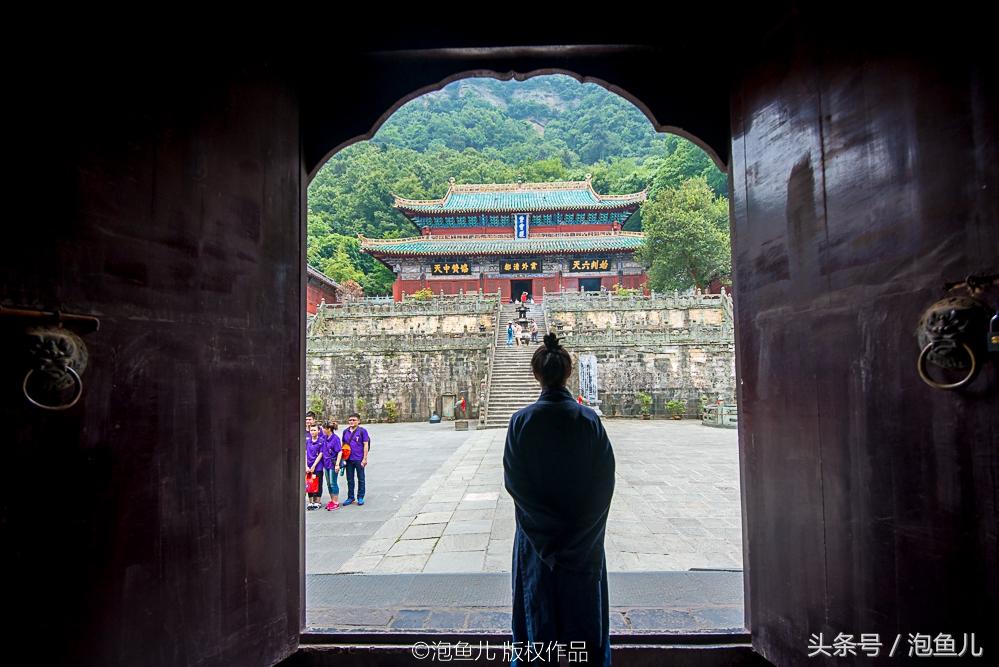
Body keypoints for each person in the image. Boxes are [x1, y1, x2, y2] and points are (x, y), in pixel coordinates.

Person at [503, 333, 615, 665]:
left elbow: (517, 486)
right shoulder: (588, 421)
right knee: (585, 623)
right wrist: (581, 536)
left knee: (534, 620)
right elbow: (603, 486)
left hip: (537, 543)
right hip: (583, 540)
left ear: (536, 375)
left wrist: (545, 540)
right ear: (568, 374)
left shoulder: (521, 422)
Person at [341, 413, 370, 506]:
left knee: (361, 478)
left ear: (358, 421)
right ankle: (350, 497)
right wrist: (342, 459)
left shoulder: (362, 431)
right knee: (349, 479)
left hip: (359, 459)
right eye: (350, 420)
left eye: (354, 420)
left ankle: (360, 497)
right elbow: (343, 445)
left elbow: (366, 445)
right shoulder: (345, 432)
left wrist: (365, 459)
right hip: (348, 459)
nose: (352, 422)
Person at [321, 420, 342, 510]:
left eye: (324, 429)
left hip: (333, 464)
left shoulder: (335, 438)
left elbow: (339, 452)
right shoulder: (325, 437)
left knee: (333, 483)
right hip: (326, 464)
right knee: (329, 483)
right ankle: (332, 500)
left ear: (329, 429)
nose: (322, 430)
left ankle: (336, 501)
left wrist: (337, 464)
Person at [305, 425, 324, 510]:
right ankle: (310, 502)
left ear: (318, 431)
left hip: (317, 466)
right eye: (311, 430)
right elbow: (305, 453)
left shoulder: (321, 441)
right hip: (308, 467)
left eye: (314, 430)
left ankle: (318, 501)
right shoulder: (307, 441)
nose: (312, 432)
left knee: (318, 484)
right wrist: (306, 466)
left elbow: (321, 454)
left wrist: (313, 466)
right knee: (309, 484)